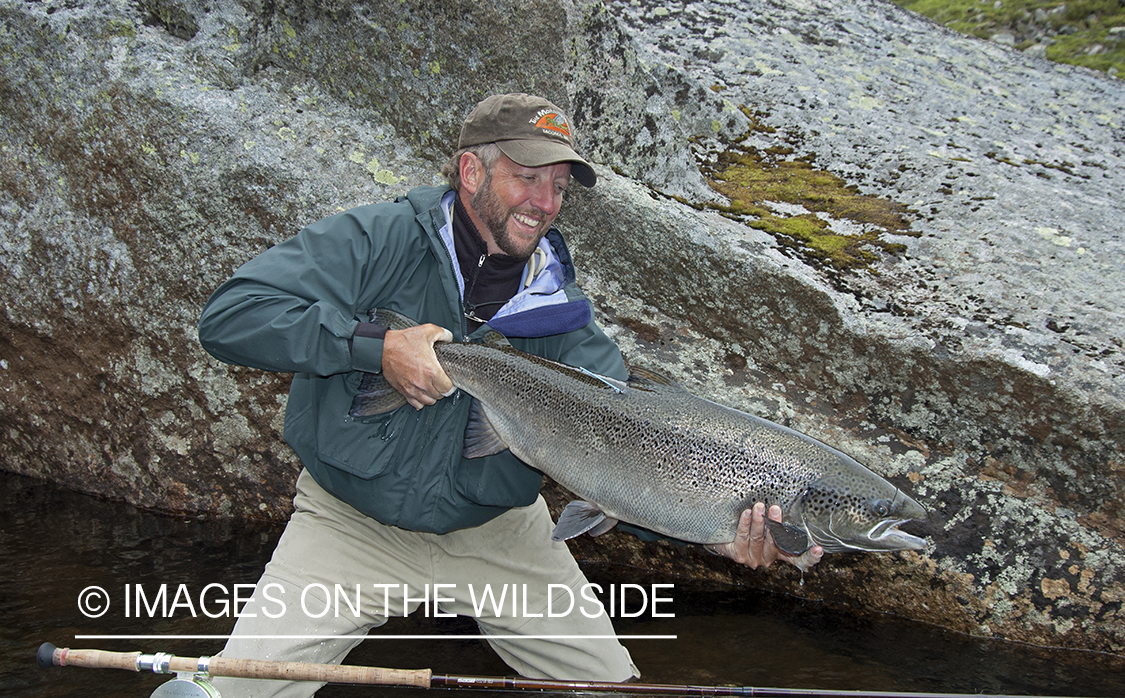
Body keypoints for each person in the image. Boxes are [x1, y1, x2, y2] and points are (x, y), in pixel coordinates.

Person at [197, 93, 823, 697]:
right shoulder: (378, 239)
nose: (545, 203)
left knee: (610, 691)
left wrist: (715, 530)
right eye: (528, 178)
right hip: (350, 522)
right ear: (471, 171)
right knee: (233, 691)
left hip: (498, 533)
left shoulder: (564, 320)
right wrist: (374, 347)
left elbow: (638, 461)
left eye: (559, 187)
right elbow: (231, 316)